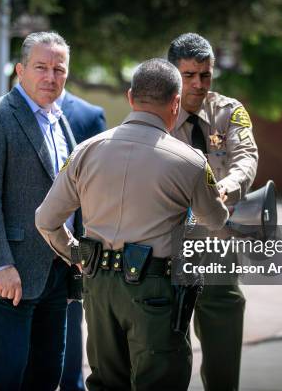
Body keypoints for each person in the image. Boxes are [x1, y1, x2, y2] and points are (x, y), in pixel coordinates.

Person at [36, 58, 230, 391]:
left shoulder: (85, 151)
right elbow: (217, 223)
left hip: (98, 288)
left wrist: (76, 255)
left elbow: (45, 220)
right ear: (175, 103)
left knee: (107, 382)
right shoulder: (190, 161)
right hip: (155, 289)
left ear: (130, 98)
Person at [0, 31, 80, 391]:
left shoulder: (60, 122)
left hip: (57, 274)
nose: (50, 77)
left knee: (46, 376)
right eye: (41, 67)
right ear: (20, 70)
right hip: (9, 277)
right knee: (5, 378)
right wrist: (0, 265)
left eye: (59, 69)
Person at [167, 33, 259, 391]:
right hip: (165, 245)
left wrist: (227, 186)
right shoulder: (157, 113)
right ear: (172, 73)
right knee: (166, 349)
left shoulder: (228, 110)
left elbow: (246, 158)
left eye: (204, 75)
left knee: (223, 343)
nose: (198, 84)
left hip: (217, 243)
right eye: (188, 75)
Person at [57, 90, 106, 391]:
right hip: (24, 246)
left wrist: (87, 247)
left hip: (72, 247)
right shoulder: (4, 113)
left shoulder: (89, 116)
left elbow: (100, 184)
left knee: (70, 326)